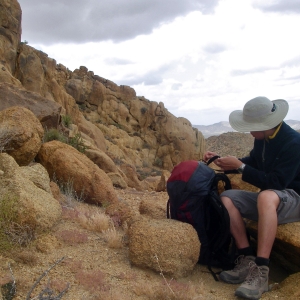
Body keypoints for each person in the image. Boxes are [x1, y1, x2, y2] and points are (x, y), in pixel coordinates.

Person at [203, 96, 300, 300]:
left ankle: (261, 271)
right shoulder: (262, 139)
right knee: (228, 198)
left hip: (294, 198)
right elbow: (253, 163)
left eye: (250, 126)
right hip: (275, 198)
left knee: (265, 197)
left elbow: (277, 183)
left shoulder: (293, 142)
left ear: (265, 125)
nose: (248, 131)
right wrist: (223, 161)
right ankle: (246, 258)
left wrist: (240, 166)